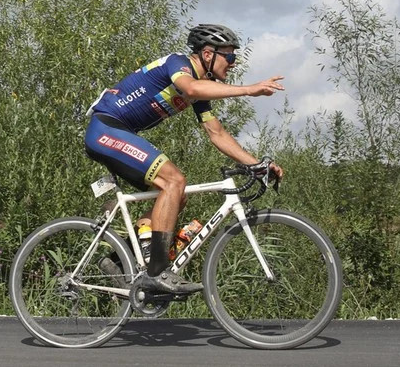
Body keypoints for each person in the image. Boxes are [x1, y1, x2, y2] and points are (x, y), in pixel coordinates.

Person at [84, 23, 285, 294]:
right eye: (230, 57)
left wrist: (256, 164)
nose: (234, 63)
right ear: (207, 54)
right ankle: (157, 272)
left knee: (176, 194)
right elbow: (189, 89)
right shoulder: (178, 64)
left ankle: (119, 261)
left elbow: (217, 133)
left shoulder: (200, 88)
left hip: (117, 133)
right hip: (106, 129)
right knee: (174, 180)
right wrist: (250, 89)